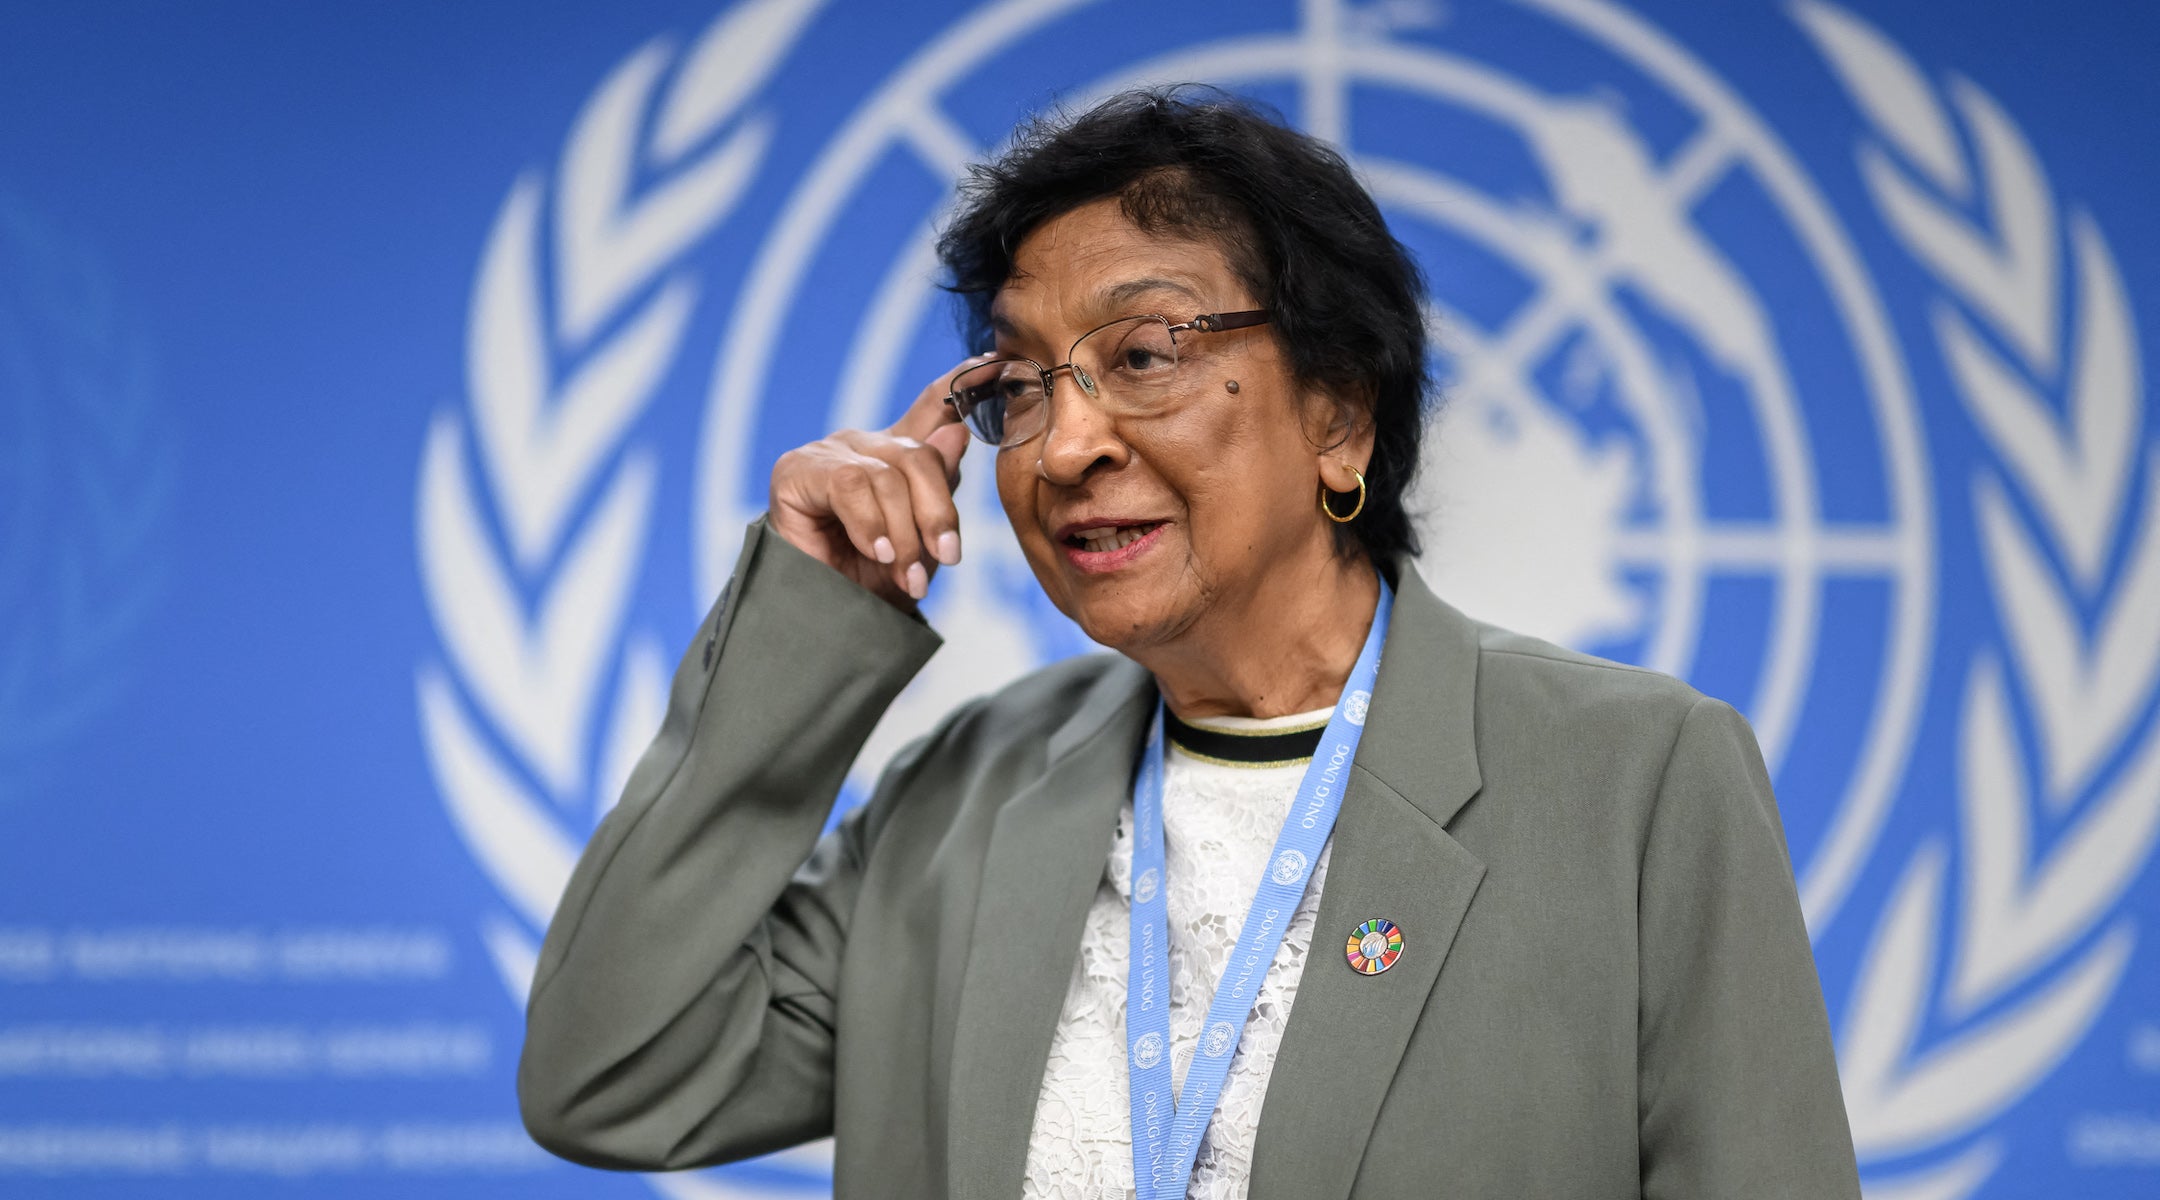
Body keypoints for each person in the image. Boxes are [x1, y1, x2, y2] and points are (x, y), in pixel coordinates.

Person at [516, 87, 1861, 1200]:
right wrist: (807, 621)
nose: (1067, 442)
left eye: (1146, 352)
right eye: (1023, 382)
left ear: (1341, 415)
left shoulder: (1632, 777)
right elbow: (614, 1077)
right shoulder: (966, 791)